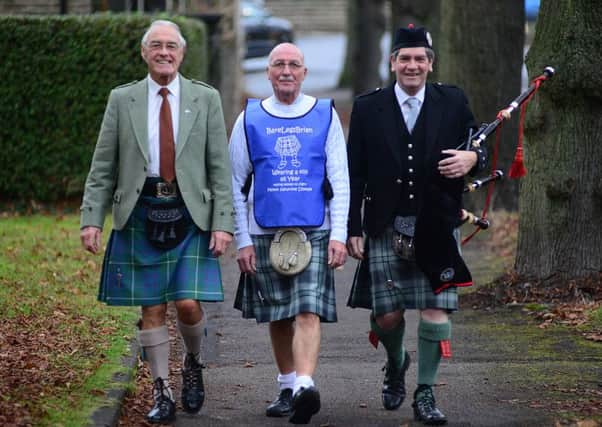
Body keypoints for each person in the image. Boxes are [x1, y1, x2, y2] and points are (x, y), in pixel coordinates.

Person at [79, 20, 233, 424]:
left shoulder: (205, 98)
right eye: (156, 46)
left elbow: (220, 168)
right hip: (141, 210)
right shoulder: (122, 99)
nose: (164, 52)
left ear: (182, 53)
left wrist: (223, 223)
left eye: (171, 46)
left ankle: (193, 364)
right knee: (152, 306)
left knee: (186, 302)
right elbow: (102, 165)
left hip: (190, 212)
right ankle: (162, 389)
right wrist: (91, 218)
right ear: (144, 53)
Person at [346, 25, 487, 425]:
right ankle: (396, 362)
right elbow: (354, 173)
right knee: (387, 315)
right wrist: (352, 229)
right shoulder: (368, 106)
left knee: (435, 310)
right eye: (404, 58)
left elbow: (480, 142)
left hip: (437, 222)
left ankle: (425, 393)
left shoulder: (453, 101)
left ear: (430, 63)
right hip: (385, 224)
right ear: (392, 63)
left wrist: (472, 160)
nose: (412, 65)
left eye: (419, 58)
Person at [229, 43, 349, 424]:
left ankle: (304, 386)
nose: (286, 71)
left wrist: (340, 234)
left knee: (308, 310)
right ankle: (287, 386)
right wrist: (242, 239)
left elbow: (340, 179)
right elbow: (235, 184)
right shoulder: (248, 118)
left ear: (304, 72)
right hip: (264, 230)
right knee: (279, 316)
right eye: (278, 64)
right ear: (267, 73)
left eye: (293, 65)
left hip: (314, 228)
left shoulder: (325, 115)